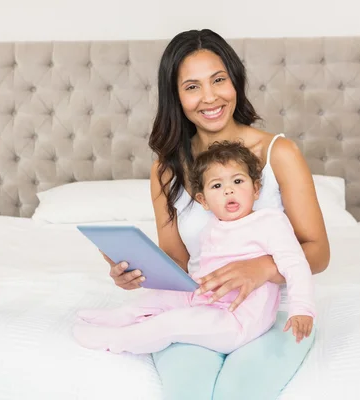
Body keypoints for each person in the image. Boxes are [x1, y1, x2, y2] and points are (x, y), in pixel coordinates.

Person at [101, 28, 330, 400]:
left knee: (237, 393)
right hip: (203, 309)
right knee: (187, 392)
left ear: (235, 81)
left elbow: (318, 251)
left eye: (219, 80)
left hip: (274, 315)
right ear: (175, 96)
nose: (210, 97)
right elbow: (176, 263)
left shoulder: (278, 153)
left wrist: (263, 268)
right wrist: (137, 274)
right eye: (192, 87)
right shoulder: (166, 170)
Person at [73, 141, 315, 355]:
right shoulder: (212, 227)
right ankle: (123, 316)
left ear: (256, 189)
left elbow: (295, 264)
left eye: (238, 181)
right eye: (217, 186)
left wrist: (301, 309)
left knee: (172, 323)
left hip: (238, 318)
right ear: (203, 201)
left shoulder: (270, 221)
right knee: (161, 297)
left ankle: (116, 341)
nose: (228, 190)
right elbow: (204, 270)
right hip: (205, 299)